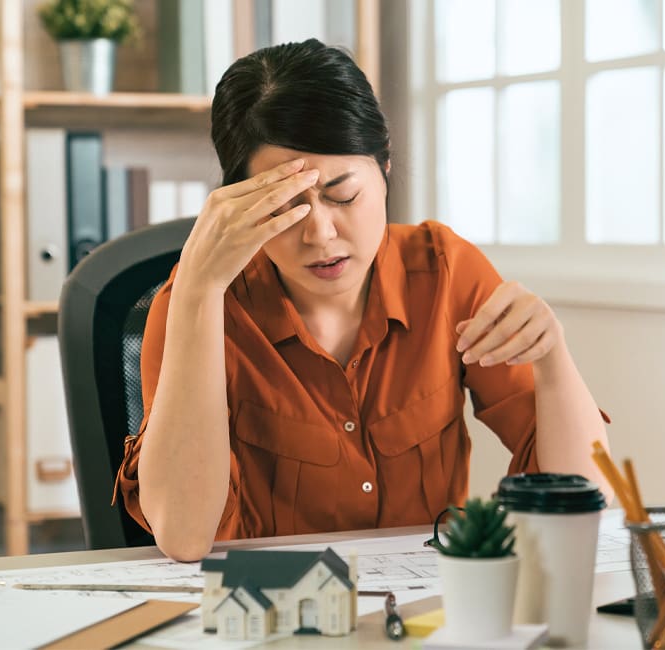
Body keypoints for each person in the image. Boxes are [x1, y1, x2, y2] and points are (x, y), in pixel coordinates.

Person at [115, 39, 611, 562]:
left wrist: (553, 360)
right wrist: (199, 288)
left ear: (385, 166)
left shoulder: (444, 273)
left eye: (343, 195)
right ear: (237, 202)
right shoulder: (194, 305)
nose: (321, 234)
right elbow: (186, 538)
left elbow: (584, 503)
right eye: (285, 206)